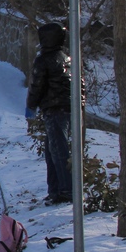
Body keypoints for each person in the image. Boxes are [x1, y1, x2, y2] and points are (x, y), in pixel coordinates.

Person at [25, 22, 83, 206]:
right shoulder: (67, 58)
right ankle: (56, 190)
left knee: (57, 150)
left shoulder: (44, 59)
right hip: (67, 108)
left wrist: (31, 106)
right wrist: (80, 104)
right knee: (53, 150)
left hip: (54, 109)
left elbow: (36, 85)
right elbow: (79, 83)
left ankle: (65, 191)